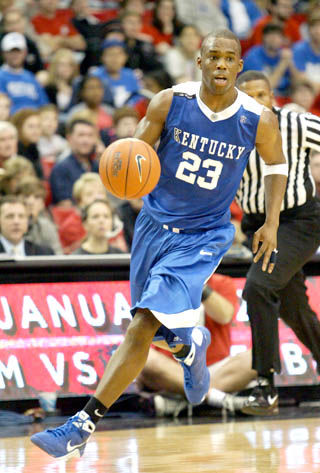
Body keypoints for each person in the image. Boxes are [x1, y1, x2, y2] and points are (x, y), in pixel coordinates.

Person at [31, 28, 288, 459]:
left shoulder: (256, 118)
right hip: (153, 226)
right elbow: (134, 151)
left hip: (204, 234)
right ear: (200, 62)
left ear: (238, 67)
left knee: (142, 325)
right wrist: (117, 171)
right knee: (148, 326)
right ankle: (190, 346)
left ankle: (82, 424)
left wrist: (273, 222)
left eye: (230, 58)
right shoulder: (170, 102)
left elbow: (277, 163)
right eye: (214, 57)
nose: (221, 64)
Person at [235, 70, 320, 415]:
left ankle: (265, 385)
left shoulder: (295, 123)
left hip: (299, 221)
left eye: (262, 96)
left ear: (273, 98)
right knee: (294, 309)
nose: (257, 103)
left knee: (257, 288)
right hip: (257, 224)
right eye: (248, 97)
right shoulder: (226, 133)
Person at [136, 273, 252, 415]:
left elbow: (225, 316)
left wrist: (198, 286)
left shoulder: (222, 282)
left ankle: (182, 403)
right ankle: (215, 398)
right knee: (145, 358)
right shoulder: (160, 283)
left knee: (257, 357)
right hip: (173, 370)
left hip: (215, 370)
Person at [49, 118, 99, 206]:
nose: (86, 140)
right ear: (69, 138)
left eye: (90, 135)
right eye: (81, 135)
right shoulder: (60, 169)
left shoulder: (99, 166)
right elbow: (65, 204)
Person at [0, 32, 48, 114]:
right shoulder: (1, 76)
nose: (15, 55)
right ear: (3, 53)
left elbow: (44, 105)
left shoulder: (31, 77)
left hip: (35, 120)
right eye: (11, 51)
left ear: (25, 53)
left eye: (18, 51)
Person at [15, 176, 62, 254]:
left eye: (36, 197)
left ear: (42, 204)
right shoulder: (8, 224)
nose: (30, 201)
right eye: (26, 196)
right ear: (16, 199)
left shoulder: (47, 226)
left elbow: (58, 255)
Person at [10, 108, 43, 178]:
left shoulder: (33, 148)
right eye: (31, 126)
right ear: (19, 128)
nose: (36, 131)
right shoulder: (14, 149)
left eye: (38, 126)